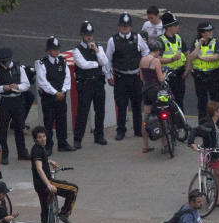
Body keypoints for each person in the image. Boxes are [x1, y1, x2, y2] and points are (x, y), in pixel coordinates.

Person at [30, 127, 78, 223]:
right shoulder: (37, 150)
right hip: (47, 183)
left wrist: (49, 161)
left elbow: (41, 160)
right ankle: (64, 213)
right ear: (35, 139)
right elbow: (39, 168)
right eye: (40, 137)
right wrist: (48, 184)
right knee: (73, 189)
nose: (43, 139)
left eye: (44, 136)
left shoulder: (37, 149)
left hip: (38, 186)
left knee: (45, 208)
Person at [107, 13, 149, 141]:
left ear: (130, 26)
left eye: (127, 26)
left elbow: (146, 52)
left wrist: (143, 69)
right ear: (119, 26)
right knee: (121, 105)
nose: (125, 28)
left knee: (137, 104)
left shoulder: (137, 38)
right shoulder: (112, 40)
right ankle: (121, 131)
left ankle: (138, 130)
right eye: (123, 26)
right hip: (121, 77)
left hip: (136, 77)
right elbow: (108, 59)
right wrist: (109, 75)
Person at [0, 47, 30, 164]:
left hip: (17, 100)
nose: (4, 64)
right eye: (2, 62)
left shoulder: (19, 68)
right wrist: (2, 88)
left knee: (19, 127)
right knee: (3, 129)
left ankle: (22, 152)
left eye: (6, 61)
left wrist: (18, 87)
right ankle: (4, 154)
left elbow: (26, 84)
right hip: (4, 101)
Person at [72, 21, 110, 149]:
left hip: (98, 82)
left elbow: (105, 61)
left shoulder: (98, 47)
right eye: (86, 34)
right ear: (82, 35)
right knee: (82, 112)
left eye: (90, 34)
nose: (89, 37)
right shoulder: (77, 50)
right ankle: (78, 138)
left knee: (100, 111)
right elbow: (83, 65)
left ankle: (99, 135)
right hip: (86, 83)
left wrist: (97, 51)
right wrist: (97, 64)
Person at [35, 36, 75, 154]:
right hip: (49, 98)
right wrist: (55, 93)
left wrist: (62, 91)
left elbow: (67, 78)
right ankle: (48, 146)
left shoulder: (62, 62)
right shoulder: (42, 63)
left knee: (62, 120)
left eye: (57, 49)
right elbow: (42, 82)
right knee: (48, 122)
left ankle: (62, 143)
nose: (56, 51)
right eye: (54, 49)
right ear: (48, 50)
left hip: (61, 97)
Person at [189, 101, 219, 207]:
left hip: (218, 154)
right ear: (215, 112)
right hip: (214, 156)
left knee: (216, 177)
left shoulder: (213, 122)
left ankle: (217, 198)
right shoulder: (209, 125)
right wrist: (191, 143)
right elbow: (194, 130)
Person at [187, 21, 219, 127]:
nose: (211, 32)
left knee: (215, 101)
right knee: (202, 102)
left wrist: (202, 57)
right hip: (200, 76)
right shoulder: (195, 43)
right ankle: (202, 124)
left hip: (213, 75)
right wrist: (199, 45)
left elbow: (216, 56)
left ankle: (218, 125)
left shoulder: (215, 42)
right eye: (209, 31)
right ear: (202, 33)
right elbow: (191, 57)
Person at [138, 39, 166, 154]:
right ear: (158, 50)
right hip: (155, 90)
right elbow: (160, 79)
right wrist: (164, 74)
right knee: (161, 116)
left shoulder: (142, 60)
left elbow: (141, 78)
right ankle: (164, 144)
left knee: (146, 116)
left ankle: (145, 145)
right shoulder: (156, 61)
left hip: (146, 90)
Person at [158, 13, 187, 110]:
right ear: (168, 27)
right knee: (167, 103)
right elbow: (156, 58)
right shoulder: (161, 41)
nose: (177, 27)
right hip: (168, 77)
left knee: (180, 101)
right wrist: (171, 59)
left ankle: (180, 124)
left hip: (180, 75)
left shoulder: (179, 38)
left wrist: (187, 70)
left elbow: (187, 54)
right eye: (175, 25)